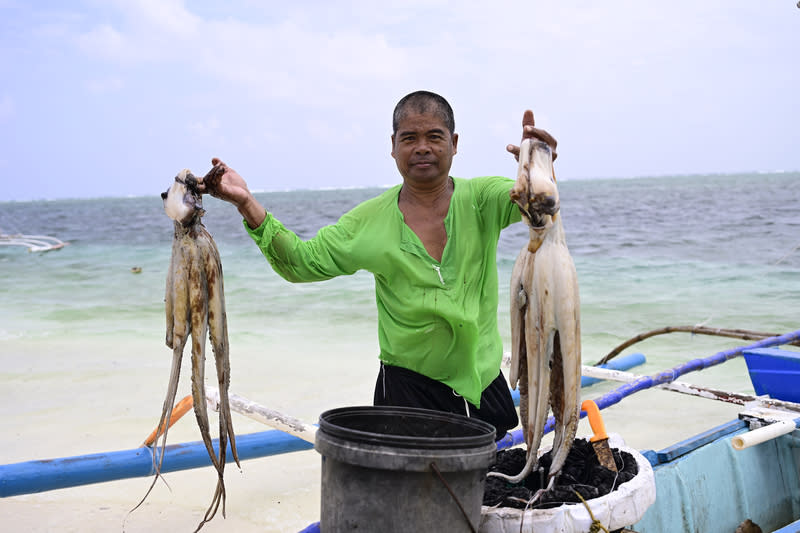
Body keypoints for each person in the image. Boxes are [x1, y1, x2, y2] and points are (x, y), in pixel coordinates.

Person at [199, 91, 557, 440]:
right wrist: (245, 202)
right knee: (411, 496)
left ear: (454, 143)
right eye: (409, 138)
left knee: (485, 490)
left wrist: (538, 163)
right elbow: (300, 262)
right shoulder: (368, 222)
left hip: (481, 384)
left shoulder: (483, 199)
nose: (422, 147)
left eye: (435, 136)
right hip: (407, 393)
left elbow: (538, 205)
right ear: (393, 146)